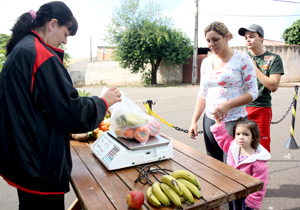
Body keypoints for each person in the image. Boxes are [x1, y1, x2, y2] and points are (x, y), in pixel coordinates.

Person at [0, 2, 121, 210]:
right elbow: (70, 112)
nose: (65, 41)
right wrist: (104, 101)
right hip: (38, 166)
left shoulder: (22, 49)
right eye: (65, 34)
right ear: (52, 24)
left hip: (23, 159)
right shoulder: (40, 54)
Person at [189, 21, 259, 163]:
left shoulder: (242, 59)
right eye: (208, 40)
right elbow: (203, 93)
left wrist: (228, 105)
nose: (211, 44)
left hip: (234, 121)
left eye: (215, 39)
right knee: (213, 162)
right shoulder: (206, 62)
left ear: (226, 37)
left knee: (232, 163)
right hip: (210, 120)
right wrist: (194, 121)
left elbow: (253, 92)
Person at [238, 24, 284, 153]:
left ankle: (259, 173)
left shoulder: (274, 59)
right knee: (240, 146)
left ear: (261, 38)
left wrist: (255, 69)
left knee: (261, 145)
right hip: (241, 108)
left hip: (261, 108)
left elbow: (273, 86)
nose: (248, 39)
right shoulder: (241, 59)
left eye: (252, 36)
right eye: (246, 37)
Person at [210, 117, 270, 210]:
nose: (241, 137)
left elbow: (261, 184)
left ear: (253, 137)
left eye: (246, 134)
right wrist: (218, 123)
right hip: (236, 191)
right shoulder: (232, 148)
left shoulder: (258, 162)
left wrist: (252, 200)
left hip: (248, 196)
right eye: (238, 134)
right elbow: (222, 138)